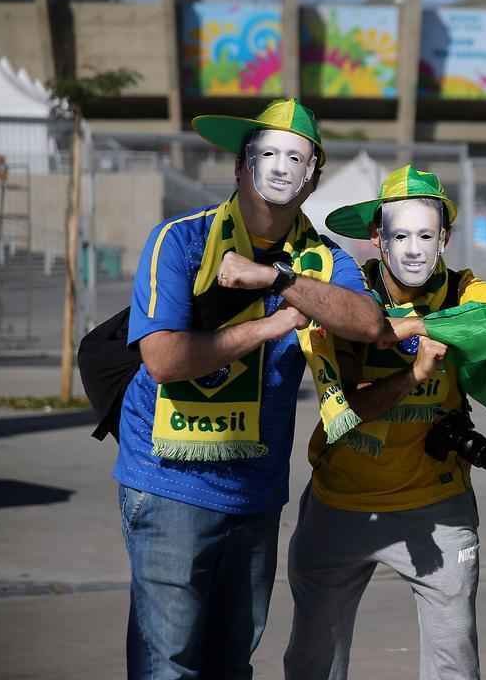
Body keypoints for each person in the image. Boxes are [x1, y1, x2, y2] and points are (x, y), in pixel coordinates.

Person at [115, 99, 388, 678]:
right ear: (240, 167)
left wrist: (277, 279)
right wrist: (271, 324)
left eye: (297, 158)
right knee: (168, 667)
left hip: (254, 493)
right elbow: (162, 360)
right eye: (266, 154)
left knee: (230, 665)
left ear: (313, 178)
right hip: (168, 483)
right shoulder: (182, 241)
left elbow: (368, 323)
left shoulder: (321, 259)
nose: (280, 168)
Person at [283, 165, 486, 679]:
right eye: (399, 236)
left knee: (454, 666)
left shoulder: (464, 291)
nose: (413, 250)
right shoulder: (347, 296)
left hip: (438, 506)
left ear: (445, 238)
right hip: (340, 505)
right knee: (313, 662)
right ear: (376, 237)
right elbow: (344, 409)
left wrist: (423, 323)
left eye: (426, 235)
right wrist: (414, 374)